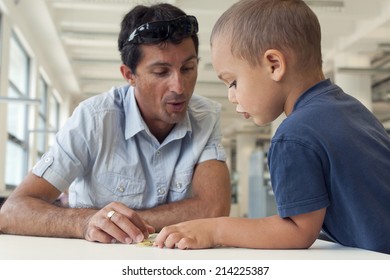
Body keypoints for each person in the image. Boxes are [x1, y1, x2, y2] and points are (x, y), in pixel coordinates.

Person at [154, 0, 390, 254]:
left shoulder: (294, 135)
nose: (232, 97)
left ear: (274, 65)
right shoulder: (350, 108)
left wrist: (215, 229)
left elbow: (298, 230)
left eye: (233, 82)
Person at [0, 3, 231, 244]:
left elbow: (214, 208)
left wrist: (120, 223)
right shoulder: (93, 118)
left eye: (188, 68)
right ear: (129, 75)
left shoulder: (206, 116)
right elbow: (12, 211)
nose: (179, 87)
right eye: (161, 72)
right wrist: (86, 222)